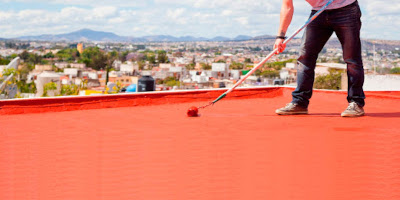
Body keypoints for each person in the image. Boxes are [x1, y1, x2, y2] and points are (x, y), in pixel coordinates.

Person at [274, 0, 365, 117]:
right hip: (318, 12)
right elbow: (287, 7)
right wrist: (280, 36)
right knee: (305, 57)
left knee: (351, 58)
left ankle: (356, 102)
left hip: (346, 10)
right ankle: (299, 102)